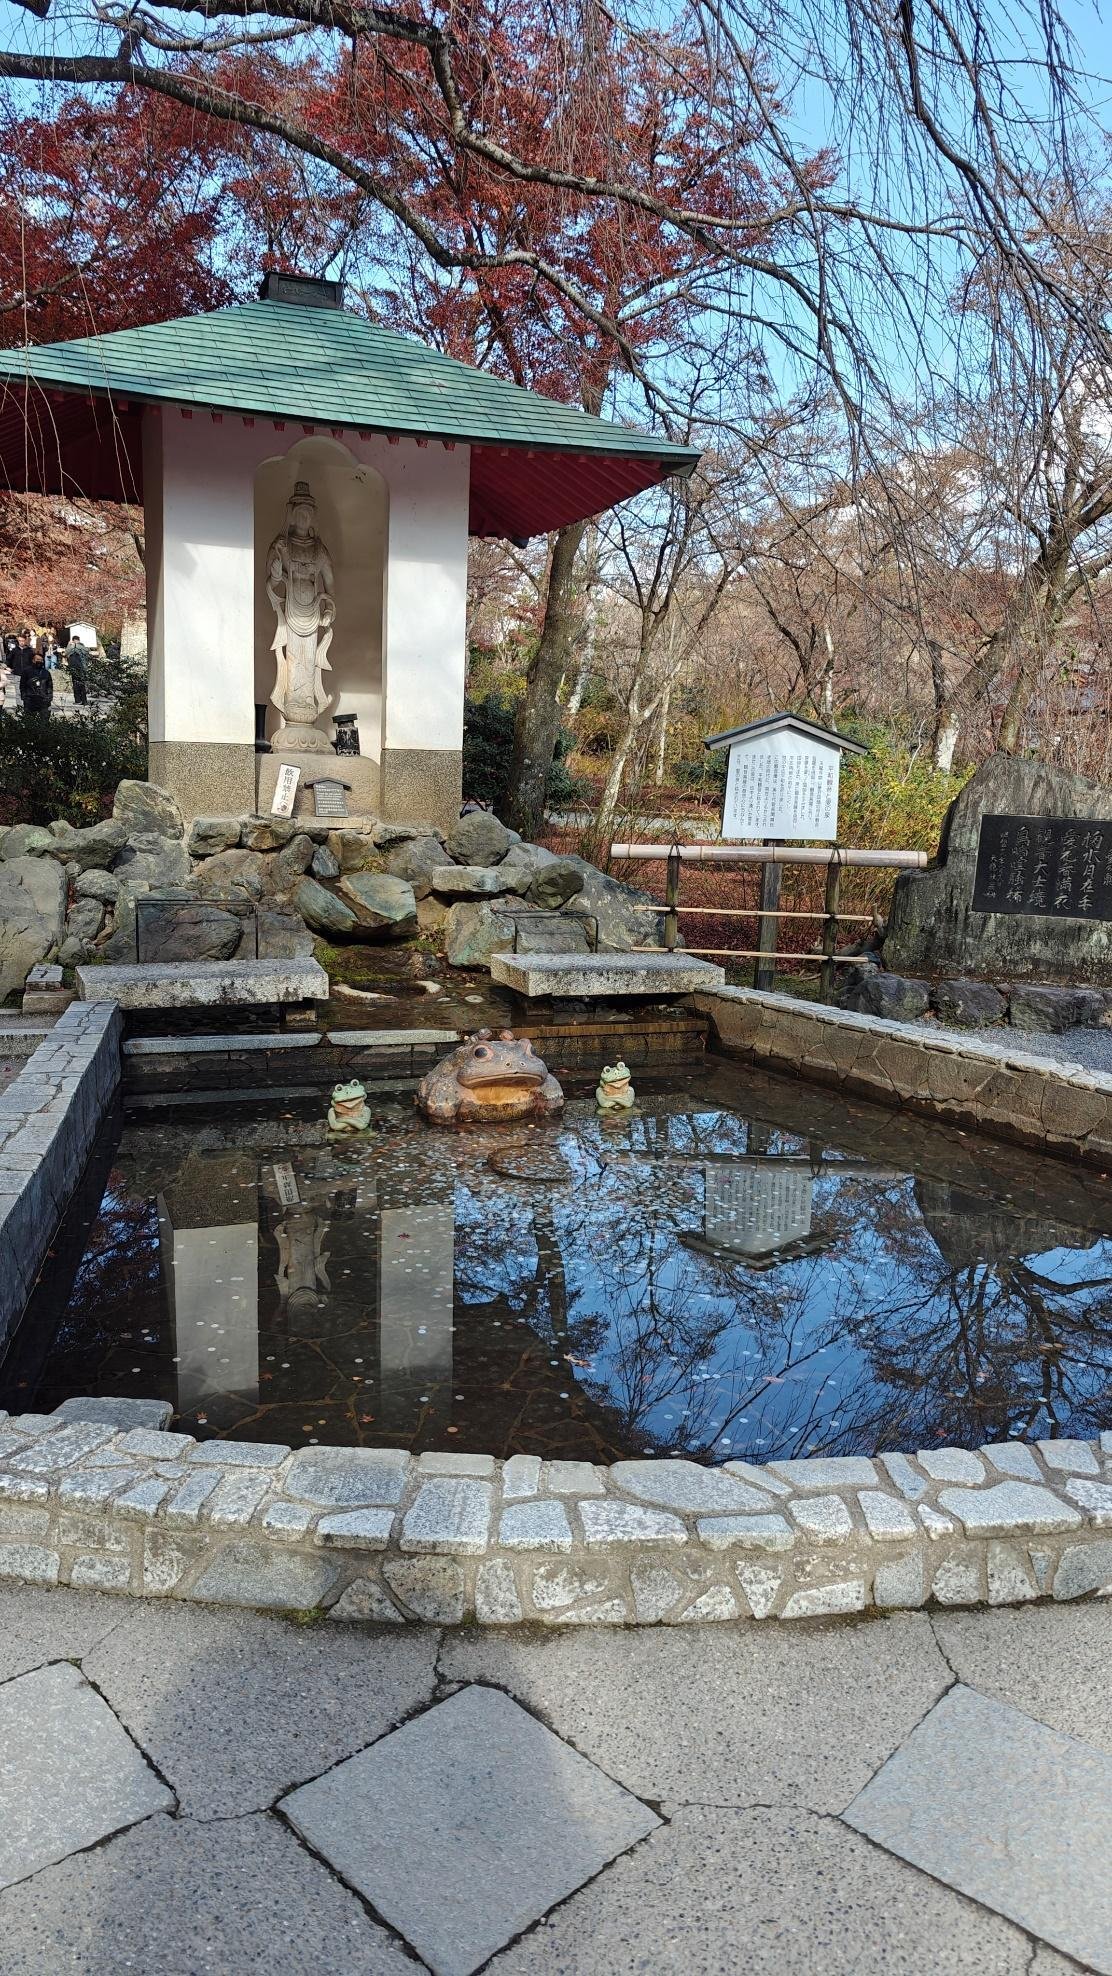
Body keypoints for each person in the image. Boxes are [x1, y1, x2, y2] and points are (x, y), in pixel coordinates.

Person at [20, 649, 53, 716]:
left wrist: (49, 697)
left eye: (41, 660)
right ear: (33, 660)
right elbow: (22, 685)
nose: (39, 661)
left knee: (44, 721)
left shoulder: (46, 672)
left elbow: (49, 686)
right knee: (29, 720)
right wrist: (24, 697)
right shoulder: (26, 671)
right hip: (30, 699)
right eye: (37, 659)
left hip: (43, 700)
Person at [65, 630, 90, 705]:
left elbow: (66, 653)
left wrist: (71, 645)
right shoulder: (80, 647)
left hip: (76, 668)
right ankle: (81, 701)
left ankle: (80, 700)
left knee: (78, 684)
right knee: (79, 684)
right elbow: (66, 653)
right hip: (78, 667)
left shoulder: (75, 646)